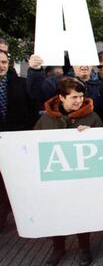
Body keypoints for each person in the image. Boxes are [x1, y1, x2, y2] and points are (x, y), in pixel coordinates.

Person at [34, 77, 102, 266]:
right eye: (74, 97)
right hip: (55, 177)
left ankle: (84, 247)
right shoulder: (46, 119)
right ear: (61, 98)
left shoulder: (92, 117)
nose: (79, 101)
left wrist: (91, 135)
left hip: (82, 177)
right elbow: (34, 145)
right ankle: (58, 247)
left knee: (81, 211)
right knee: (55, 211)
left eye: (81, 96)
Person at [0, 43, 38, 231]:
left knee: (16, 182)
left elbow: (32, 111)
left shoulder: (21, 84)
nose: (1, 65)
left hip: (16, 142)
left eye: (4, 62)